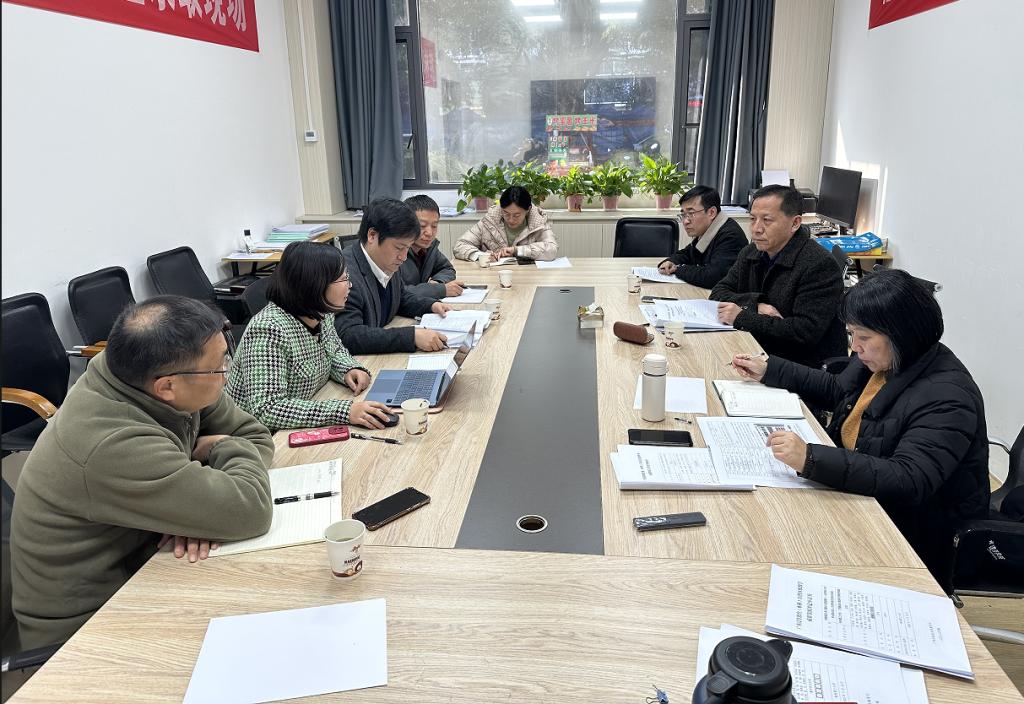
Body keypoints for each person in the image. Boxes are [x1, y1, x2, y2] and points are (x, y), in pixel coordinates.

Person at [11, 296, 274, 649]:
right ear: (167, 387)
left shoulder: (158, 375)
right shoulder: (109, 441)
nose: (226, 374)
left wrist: (194, 507)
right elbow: (249, 510)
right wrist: (217, 451)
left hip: (148, 564)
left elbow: (256, 437)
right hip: (87, 630)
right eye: (220, 367)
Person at [731, 270, 989, 586]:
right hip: (859, 496)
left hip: (910, 535)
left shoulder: (948, 396)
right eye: (851, 334)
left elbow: (909, 479)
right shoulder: (888, 358)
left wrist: (811, 459)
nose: (854, 347)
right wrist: (770, 369)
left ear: (901, 333)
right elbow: (838, 389)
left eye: (863, 337)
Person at [226, 241, 394, 432]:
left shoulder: (322, 312)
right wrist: (344, 411)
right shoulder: (268, 330)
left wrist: (349, 368)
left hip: (306, 412)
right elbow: (267, 409)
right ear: (314, 285)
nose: (350, 285)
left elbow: (333, 350)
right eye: (343, 279)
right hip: (257, 436)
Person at [709, 185, 846, 369]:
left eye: (767, 220)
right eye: (752, 219)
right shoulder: (751, 252)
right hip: (759, 350)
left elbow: (803, 333)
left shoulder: (819, 265)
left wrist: (742, 317)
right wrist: (755, 305)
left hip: (803, 367)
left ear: (795, 223)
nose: (756, 229)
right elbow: (718, 293)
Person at [334, 197, 453, 354]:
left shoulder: (385, 261)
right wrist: (411, 337)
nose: (403, 257)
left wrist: (430, 306)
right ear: (372, 235)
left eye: (407, 248)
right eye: (399, 248)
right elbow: (348, 335)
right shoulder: (344, 275)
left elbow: (400, 298)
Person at [657, 185, 748, 288]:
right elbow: (688, 253)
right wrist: (671, 261)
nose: (685, 221)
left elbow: (713, 277)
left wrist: (677, 269)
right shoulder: (709, 228)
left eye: (691, 213)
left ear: (711, 212)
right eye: (683, 214)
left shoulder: (730, 236)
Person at [453, 185, 558, 262]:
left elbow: (552, 250)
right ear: (501, 208)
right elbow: (460, 245)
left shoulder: (538, 222)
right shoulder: (490, 220)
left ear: (528, 209)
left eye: (516, 215)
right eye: (506, 213)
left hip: (528, 276)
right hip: (493, 276)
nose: (511, 220)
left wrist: (517, 250)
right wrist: (480, 256)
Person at [400, 194, 465, 300]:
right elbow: (398, 292)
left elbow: (447, 269)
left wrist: (437, 282)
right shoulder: (396, 252)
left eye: (434, 226)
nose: (429, 233)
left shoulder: (429, 248)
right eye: (422, 226)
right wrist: (439, 290)